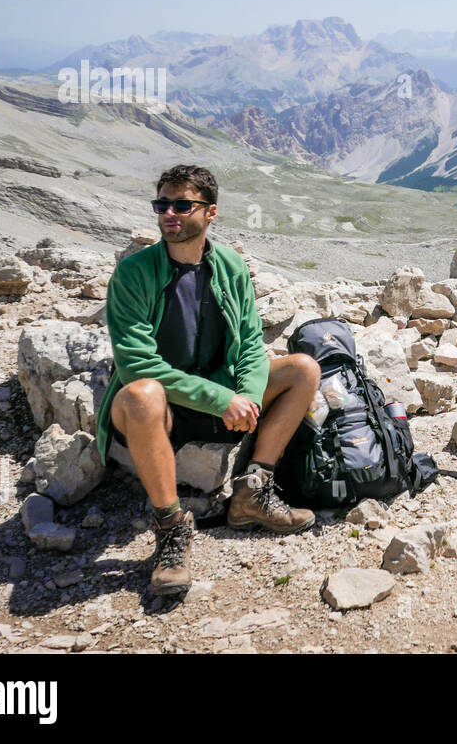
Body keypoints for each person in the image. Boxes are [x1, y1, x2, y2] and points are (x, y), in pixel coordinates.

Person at [94, 164, 320, 597]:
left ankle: (253, 492)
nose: (169, 214)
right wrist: (221, 400)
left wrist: (248, 398)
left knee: (303, 369)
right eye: (162, 204)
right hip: (163, 412)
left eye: (182, 204)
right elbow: (137, 366)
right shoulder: (135, 273)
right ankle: (171, 529)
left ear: (210, 212)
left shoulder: (230, 265)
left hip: (220, 398)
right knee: (141, 394)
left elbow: (252, 342)